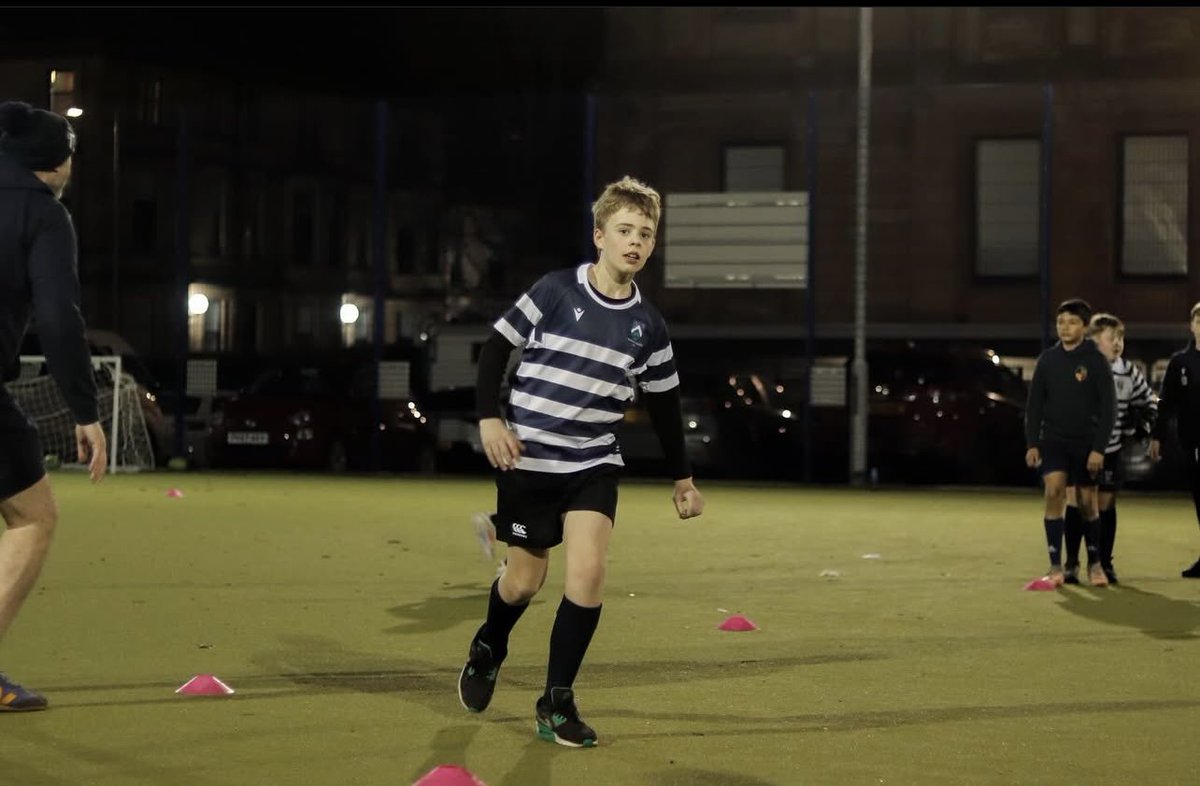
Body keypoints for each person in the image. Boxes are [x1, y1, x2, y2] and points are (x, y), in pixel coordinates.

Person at [455, 175, 704, 748]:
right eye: (624, 230)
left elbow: (665, 405)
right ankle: (490, 645)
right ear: (599, 235)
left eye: (645, 233)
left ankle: (555, 704)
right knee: (523, 582)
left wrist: (683, 477)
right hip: (530, 463)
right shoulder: (554, 291)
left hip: (593, 464)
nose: (634, 242)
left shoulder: (650, 327)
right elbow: (495, 350)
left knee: (588, 575)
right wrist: (490, 419)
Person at [0, 101, 108, 711]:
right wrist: (85, 411)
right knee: (33, 516)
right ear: (54, 160)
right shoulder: (44, 215)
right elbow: (59, 321)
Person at [1024, 298, 1116, 588]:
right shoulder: (1048, 360)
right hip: (1054, 441)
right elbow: (1034, 405)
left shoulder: (1095, 361)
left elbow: (1109, 408)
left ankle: (1095, 564)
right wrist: (1032, 443)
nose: (1065, 327)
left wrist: (1099, 448)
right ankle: (1055, 566)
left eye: (1072, 322)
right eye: (1061, 322)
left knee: (1088, 503)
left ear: (1084, 327)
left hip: (1086, 443)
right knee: (1053, 492)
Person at [1061, 313, 1156, 585]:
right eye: (1111, 338)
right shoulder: (1081, 367)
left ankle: (1104, 562)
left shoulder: (1128, 371)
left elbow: (1148, 402)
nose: (1118, 344)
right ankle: (1072, 563)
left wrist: (1142, 421)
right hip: (1082, 448)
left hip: (1111, 450)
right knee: (1078, 504)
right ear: (1093, 340)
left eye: (1121, 339)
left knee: (1106, 506)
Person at [1149, 301, 1200, 578]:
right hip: (1192, 441)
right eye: (1199, 321)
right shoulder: (1180, 362)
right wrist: (1158, 436)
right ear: (1191, 326)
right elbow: (1166, 402)